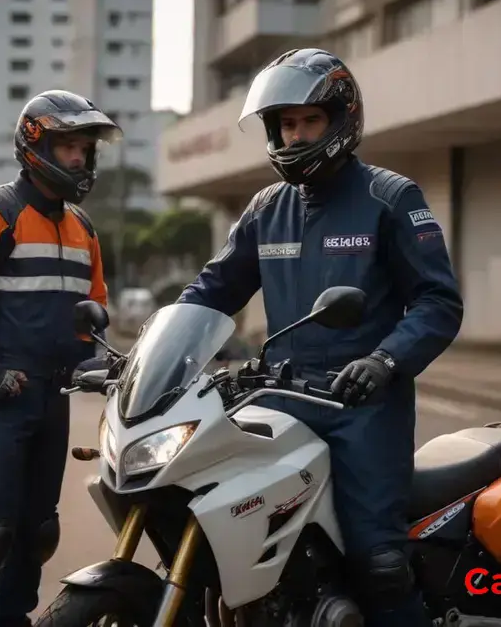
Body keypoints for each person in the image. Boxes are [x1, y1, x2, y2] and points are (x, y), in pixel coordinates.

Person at [176, 49, 463, 627]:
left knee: (378, 561)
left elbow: (438, 302)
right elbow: (210, 291)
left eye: (310, 121)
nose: (296, 135)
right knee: (227, 521)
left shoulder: (391, 198)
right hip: (279, 400)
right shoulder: (266, 208)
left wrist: (386, 359)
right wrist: (152, 356)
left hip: (362, 405)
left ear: (341, 120)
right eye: (287, 124)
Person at [0, 89, 120, 627]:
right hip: (3, 396)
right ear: (36, 145)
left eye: (86, 149)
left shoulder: (83, 227)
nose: (80, 159)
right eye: (70, 148)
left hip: (54, 398)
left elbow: (95, 309)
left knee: (36, 532)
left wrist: (101, 360)